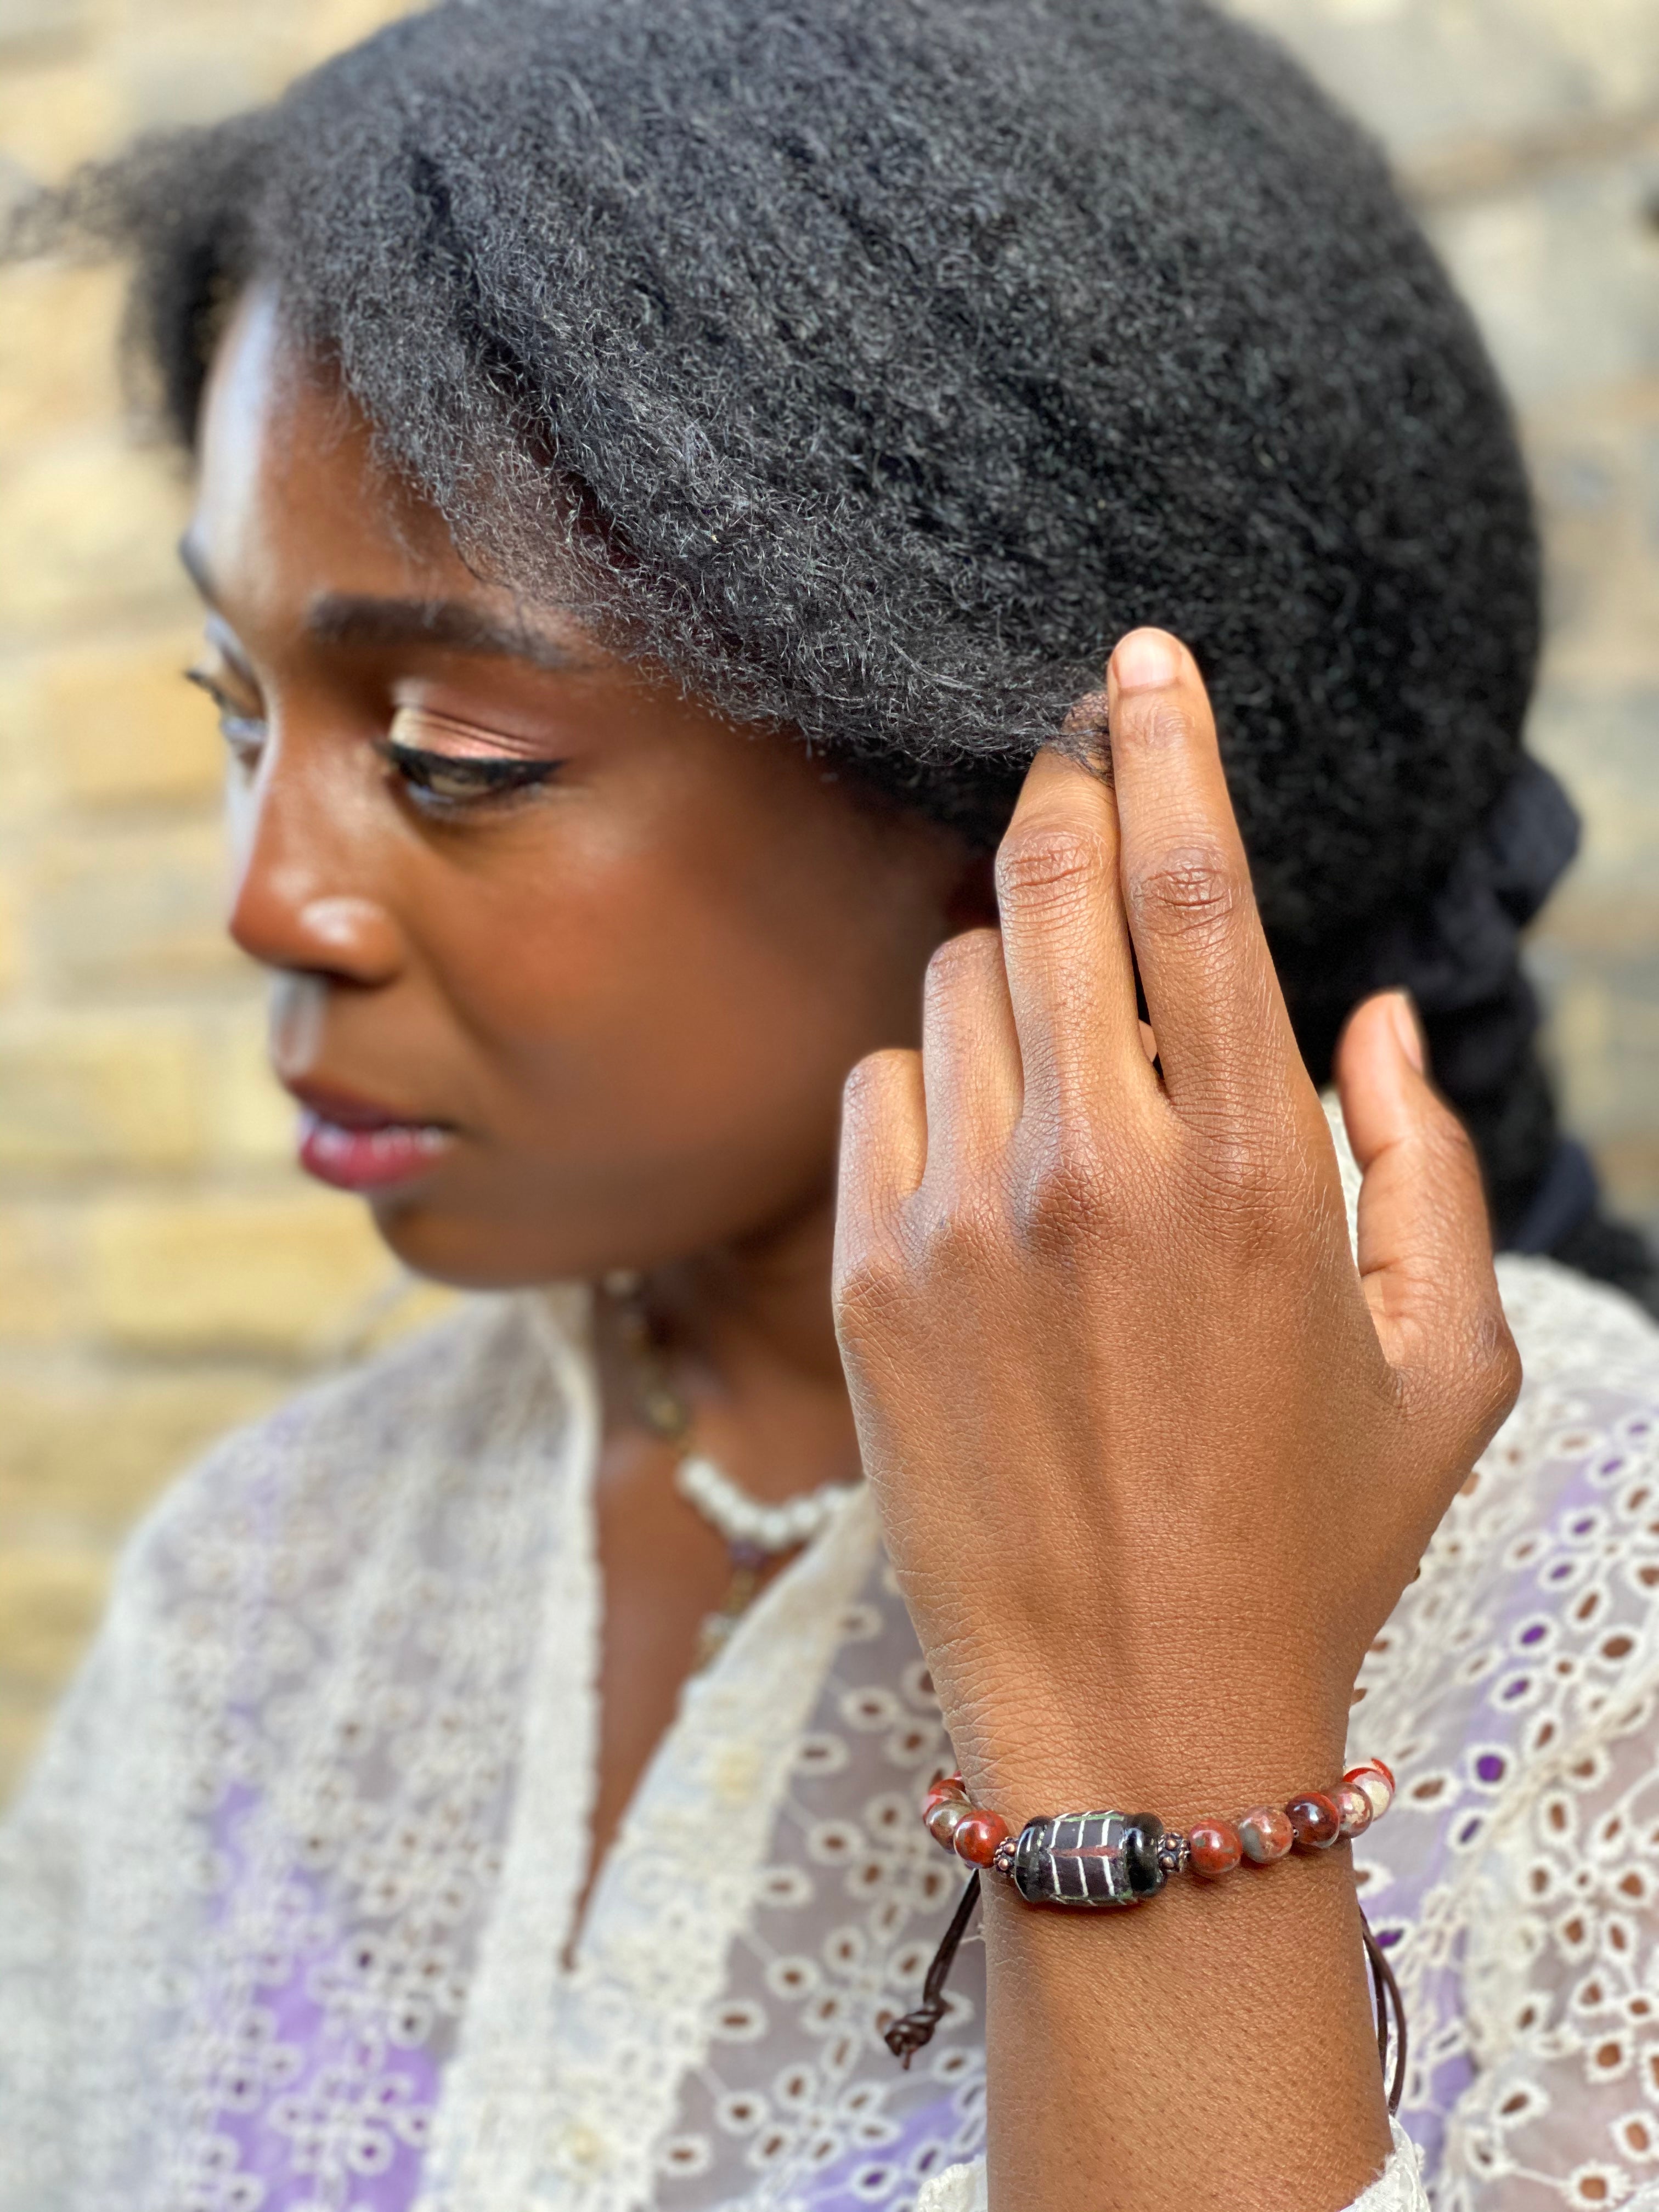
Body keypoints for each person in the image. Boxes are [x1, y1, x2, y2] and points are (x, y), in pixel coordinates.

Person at [4, 1, 1658, 2205]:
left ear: (1035, 789)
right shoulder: (262, 1585)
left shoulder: (1594, 1605)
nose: (269, 901)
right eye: (235, 706)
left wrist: (1167, 1767)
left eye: (452, 761)